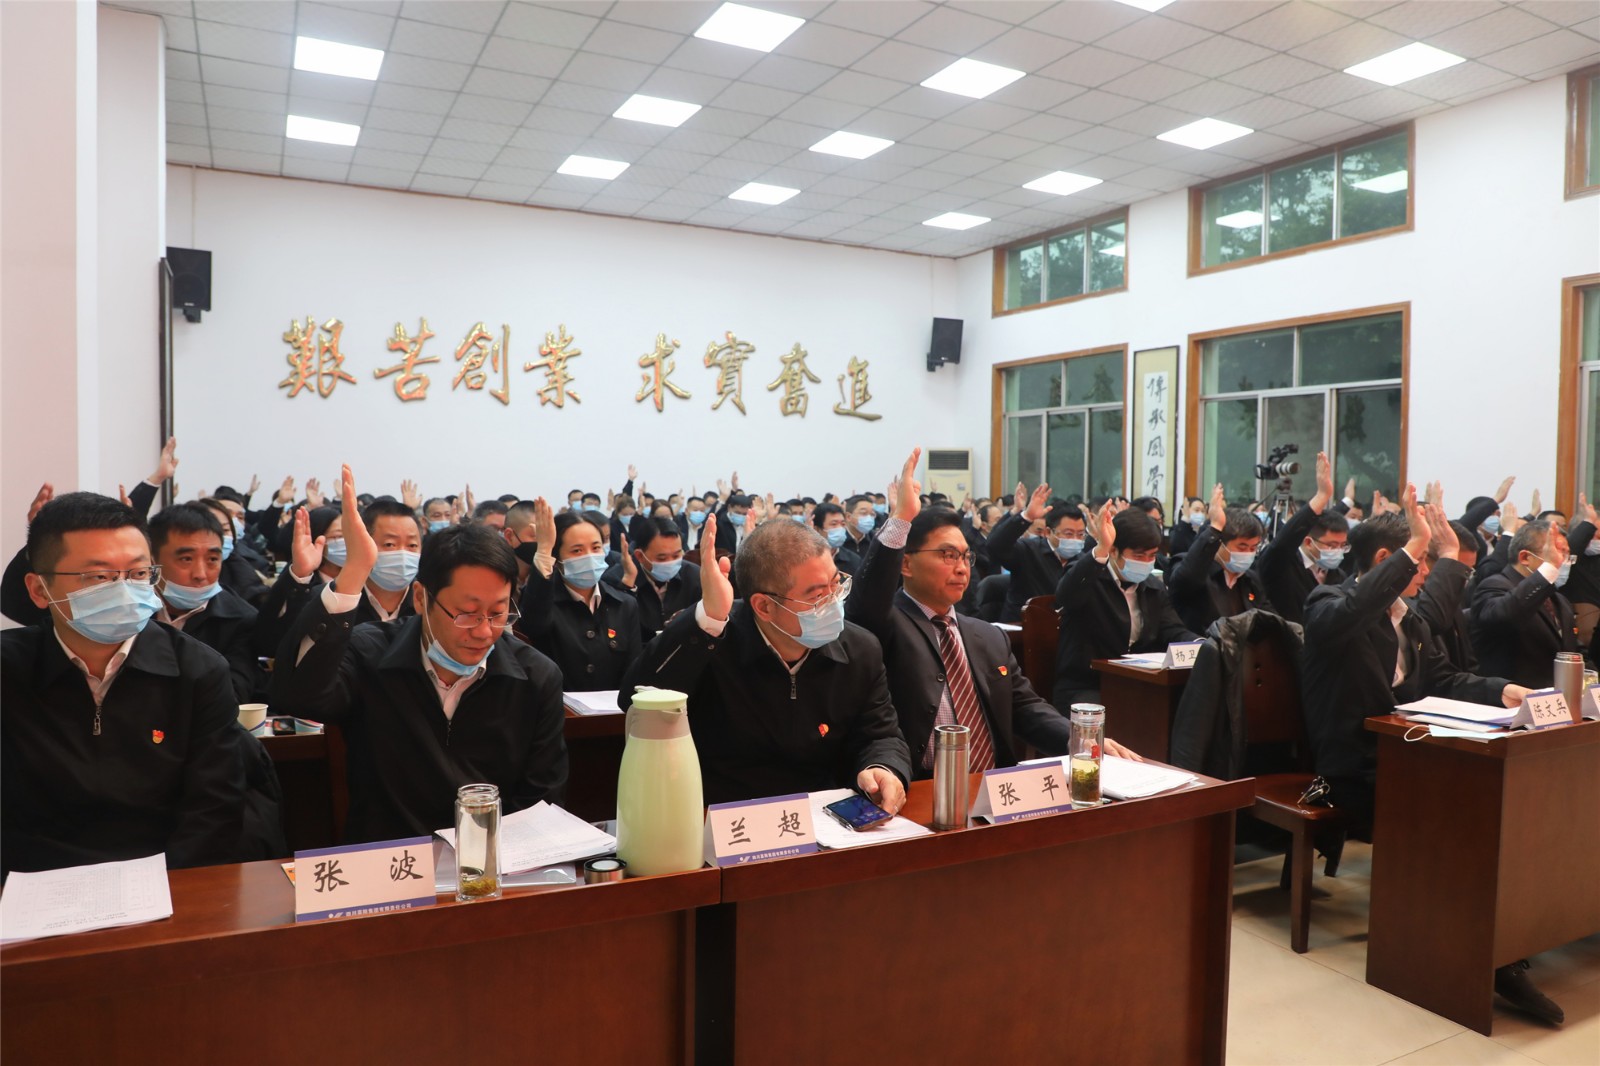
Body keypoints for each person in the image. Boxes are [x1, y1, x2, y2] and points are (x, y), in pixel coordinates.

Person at [1299, 489, 1561, 1024]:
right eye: (1419, 564)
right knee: (1462, 819)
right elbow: (1351, 611)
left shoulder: (1410, 620)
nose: (1425, 577)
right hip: (1355, 772)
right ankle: (1489, 960)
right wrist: (1413, 548)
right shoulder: (1326, 603)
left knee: (1503, 803)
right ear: (1385, 561)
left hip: (1412, 762)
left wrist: (1504, 690)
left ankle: (1506, 940)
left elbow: (1444, 679)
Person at [272, 468, 567, 843]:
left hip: (493, 858)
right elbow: (298, 695)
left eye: (498, 613)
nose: (483, 631)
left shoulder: (536, 676)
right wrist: (353, 575)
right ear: (421, 598)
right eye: (466, 614)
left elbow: (541, 800)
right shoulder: (370, 652)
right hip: (391, 856)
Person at [3, 491, 257, 874]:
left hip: (163, 879)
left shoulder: (198, 670)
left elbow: (214, 811)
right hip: (32, 882)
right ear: (40, 590)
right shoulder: (9, 670)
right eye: (99, 577)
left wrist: (169, 889)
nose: (123, 590)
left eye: (138, 574)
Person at [846, 450, 1139, 777]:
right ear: (906, 564)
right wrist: (901, 518)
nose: (961, 568)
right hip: (920, 787)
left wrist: (1081, 740)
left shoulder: (987, 636)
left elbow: (1025, 707)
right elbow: (866, 602)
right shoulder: (886, 627)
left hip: (995, 787)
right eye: (947, 555)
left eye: (965, 557)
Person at [620, 512, 911, 809]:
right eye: (817, 596)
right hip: (725, 814)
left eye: (836, 585)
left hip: (823, 812)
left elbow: (880, 735)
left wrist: (882, 767)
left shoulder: (860, 649)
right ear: (764, 606)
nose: (834, 603)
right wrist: (709, 619)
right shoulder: (710, 640)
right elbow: (636, 699)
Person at [1053, 507, 1195, 711]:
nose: (1146, 563)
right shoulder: (1089, 577)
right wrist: (1100, 549)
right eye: (1139, 556)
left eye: (1151, 556)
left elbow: (1172, 629)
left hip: (1138, 681)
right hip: (1087, 684)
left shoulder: (1152, 587)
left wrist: (1200, 645)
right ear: (1113, 551)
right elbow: (1065, 596)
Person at [518, 501, 642, 690]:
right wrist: (543, 551)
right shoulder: (543, 602)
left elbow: (633, 670)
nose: (589, 556)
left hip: (614, 706)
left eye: (596, 547)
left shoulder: (624, 604)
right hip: (560, 705)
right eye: (577, 551)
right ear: (557, 557)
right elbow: (534, 626)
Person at [147, 503, 263, 703]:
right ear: (152, 561)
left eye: (212, 559)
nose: (200, 574)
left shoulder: (240, 618)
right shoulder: (129, 609)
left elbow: (232, 697)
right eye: (186, 559)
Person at [1469, 518, 1580, 688]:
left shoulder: (1559, 600)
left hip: (1557, 696)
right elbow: (1505, 617)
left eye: (1566, 555)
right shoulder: (1493, 585)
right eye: (1556, 554)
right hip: (1511, 694)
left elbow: (1574, 651)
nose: (1562, 562)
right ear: (1525, 557)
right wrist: (1547, 571)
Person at [1257, 452, 1350, 625]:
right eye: (1332, 545)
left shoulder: (1338, 575)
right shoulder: (1283, 565)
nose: (1338, 551)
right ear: (1308, 542)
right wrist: (1321, 497)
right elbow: (1282, 544)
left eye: (1342, 545)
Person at [1169, 483, 1273, 636]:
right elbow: (1187, 578)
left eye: (1253, 548)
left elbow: (1269, 620)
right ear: (1220, 544)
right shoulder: (1194, 569)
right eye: (1242, 547)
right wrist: (1215, 527)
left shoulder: (1250, 580)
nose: (1248, 554)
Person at [987, 485, 1091, 623]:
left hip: (1064, 629)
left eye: (1080, 534)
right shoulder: (1028, 550)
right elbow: (995, 546)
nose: (1075, 539)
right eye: (1068, 534)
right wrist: (1026, 517)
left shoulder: (1083, 561)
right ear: (1048, 532)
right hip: (1022, 628)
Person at [609, 515, 701, 639]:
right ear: (640, 556)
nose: (670, 562)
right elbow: (616, 630)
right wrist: (627, 586)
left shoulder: (694, 576)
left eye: (676, 556)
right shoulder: (615, 580)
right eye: (662, 558)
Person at [1411, 518, 1480, 672]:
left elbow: (1467, 659)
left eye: (1468, 571)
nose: (1462, 577)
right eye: (1457, 568)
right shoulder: (1407, 599)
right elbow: (1431, 621)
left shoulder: (1452, 593)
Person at [811, 501, 864, 579]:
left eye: (843, 524)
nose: (840, 528)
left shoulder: (853, 560)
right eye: (834, 524)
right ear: (817, 529)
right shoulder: (807, 559)